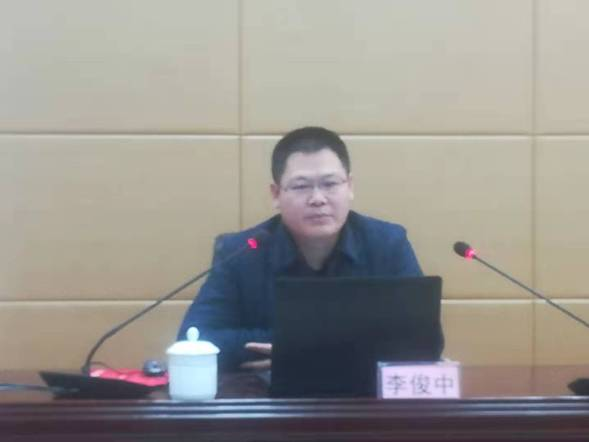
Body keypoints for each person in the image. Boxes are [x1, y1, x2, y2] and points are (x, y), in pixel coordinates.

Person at [178, 127, 425, 371]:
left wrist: (301, 349)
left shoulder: (387, 244)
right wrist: (300, 347)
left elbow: (422, 338)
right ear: (276, 194)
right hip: (266, 394)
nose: (318, 199)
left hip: (363, 392)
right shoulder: (241, 252)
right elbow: (194, 340)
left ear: (350, 186)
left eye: (330, 184)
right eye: (301, 186)